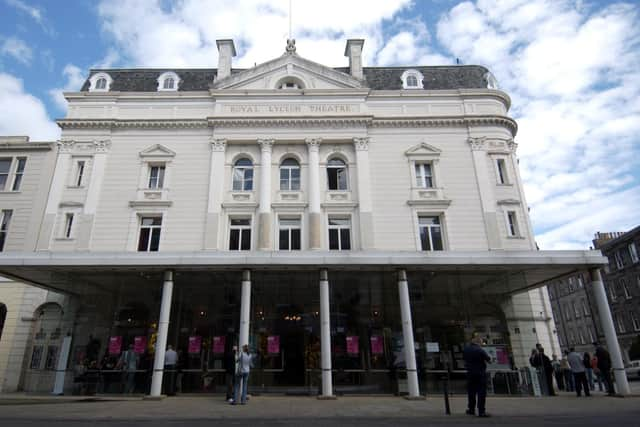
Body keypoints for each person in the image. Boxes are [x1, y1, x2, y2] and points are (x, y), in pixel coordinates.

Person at [463, 332, 491, 418]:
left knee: (471, 392)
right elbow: (488, 359)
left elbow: (464, 359)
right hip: (480, 373)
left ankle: (471, 409)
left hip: (470, 373)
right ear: (477, 340)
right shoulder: (480, 350)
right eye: (479, 340)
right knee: (481, 392)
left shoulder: (466, 349)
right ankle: (481, 411)